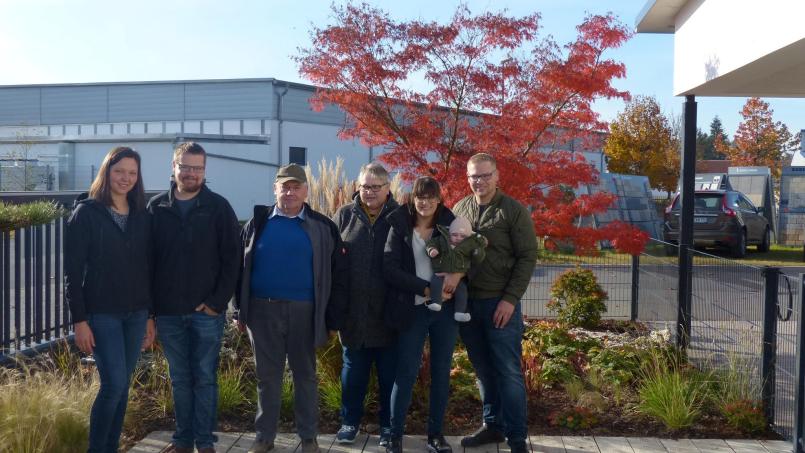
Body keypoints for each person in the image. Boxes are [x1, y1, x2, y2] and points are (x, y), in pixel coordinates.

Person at [234, 164, 348, 453]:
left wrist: (332, 318)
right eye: (284, 186)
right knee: (266, 378)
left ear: (306, 190)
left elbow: (338, 276)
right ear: (275, 189)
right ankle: (264, 438)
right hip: (262, 312)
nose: (290, 192)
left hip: (305, 312)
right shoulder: (257, 223)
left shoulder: (324, 227)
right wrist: (239, 310)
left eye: (296, 186)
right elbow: (239, 270)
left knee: (305, 377)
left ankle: (308, 438)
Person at [147, 142, 241, 453]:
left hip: (206, 314)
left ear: (205, 170)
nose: (191, 173)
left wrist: (217, 303)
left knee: (205, 378)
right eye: (185, 167)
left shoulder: (219, 207)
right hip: (169, 313)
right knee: (180, 379)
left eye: (197, 168)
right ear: (173, 167)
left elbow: (233, 259)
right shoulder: (156, 208)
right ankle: (183, 440)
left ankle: (205, 441)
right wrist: (152, 311)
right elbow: (146, 262)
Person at [64, 146, 156, 453]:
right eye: (119, 171)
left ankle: (111, 447)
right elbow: (72, 274)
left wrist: (150, 316)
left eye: (132, 173)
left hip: (136, 314)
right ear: (107, 172)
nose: (126, 178)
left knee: (122, 387)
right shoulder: (86, 213)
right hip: (102, 315)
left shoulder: (142, 215)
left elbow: (148, 267)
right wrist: (79, 321)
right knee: (113, 385)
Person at [452, 153, 538, 453]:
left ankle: (516, 439)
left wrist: (510, 300)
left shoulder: (513, 211)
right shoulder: (460, 209)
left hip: (500, 304)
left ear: (497, 175)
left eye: (486, 175)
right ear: (468, 177)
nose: (480, 181)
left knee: (508, 372)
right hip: (468, 305)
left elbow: (528, 256)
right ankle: (493, 427)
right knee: (483, 370)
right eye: (475, 176)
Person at [383, 176, 460, 453]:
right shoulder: (399, 225)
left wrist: (455, 278)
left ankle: (435, 436)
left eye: (430, 197)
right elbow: (389, 268)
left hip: (445, 312)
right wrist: (426, 289)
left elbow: (468, 258)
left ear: (438, 199)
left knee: (441, 373)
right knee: (405, 373)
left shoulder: (451, 224)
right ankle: (394, 436)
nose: (424, 202)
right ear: (412, 199)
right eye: (419, 197)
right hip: (412, 309)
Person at [331, 163, 399, 446]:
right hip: (353, 314)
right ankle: (350, 422)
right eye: (364, 186)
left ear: (387, 189)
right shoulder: (344, 215)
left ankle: (388, 427)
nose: (369, 192)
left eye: (375, 187)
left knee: (389, 376)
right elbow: (332, 262)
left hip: (390, 313)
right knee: (353, 374)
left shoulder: (400, 217)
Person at [425, 216, 486, 322]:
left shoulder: (470, 245)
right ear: (449, 234)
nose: (458, 238)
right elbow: (431, 243)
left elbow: (479, 258)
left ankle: (460, 312)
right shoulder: (443, 240)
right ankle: (436, 302)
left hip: (459, 275)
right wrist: (432, 250)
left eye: (462, 236)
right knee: (435, 283)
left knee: (462, 291)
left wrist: (478, 253)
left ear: (467, 237)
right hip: (440, 271)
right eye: (454, 235)